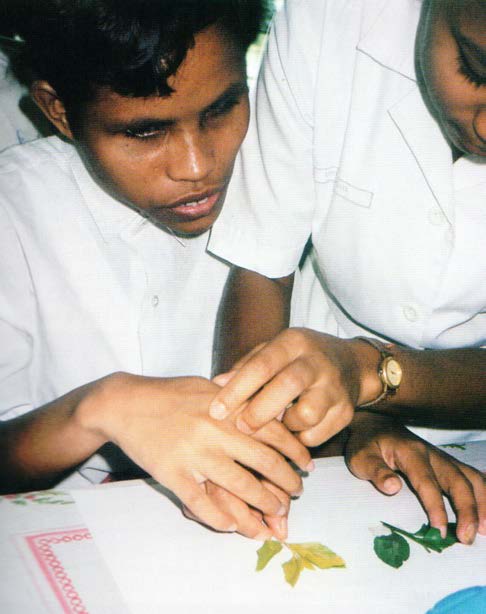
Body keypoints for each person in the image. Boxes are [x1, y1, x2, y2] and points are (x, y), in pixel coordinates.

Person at [0, 0, 317, 542]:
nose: (197, 166)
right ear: (58, 111)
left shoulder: (283, 174)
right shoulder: (15, 210)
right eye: (145, 132)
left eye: (222, 108)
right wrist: (99, 408)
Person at [208, 0, 486, 545]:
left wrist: (366, 375)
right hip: (319, 397)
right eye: (476, 69)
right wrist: (267, 443)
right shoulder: (329, 16)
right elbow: (263, 264)